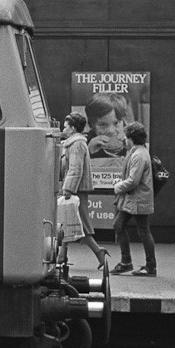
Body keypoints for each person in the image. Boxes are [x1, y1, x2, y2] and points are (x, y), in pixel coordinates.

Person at [60, 112, 109, 269]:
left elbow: (75, 169)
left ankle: (98, 251)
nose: (63, 128)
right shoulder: (75, 143)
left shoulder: (76, 144)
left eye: (65, 126)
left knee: (79, 224)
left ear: (72, 128)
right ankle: (62, 255)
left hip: (76, 190)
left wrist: (68, 189)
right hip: (76, 189)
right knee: (69, 221)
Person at [111, 122, 157, 277]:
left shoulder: (138, 155)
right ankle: (130, 262)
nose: (124, 140)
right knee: (122, 226)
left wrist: (118, 186)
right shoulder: (139, 152)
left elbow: (133, 181)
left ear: (131, 138)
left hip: (137, 199)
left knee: (141, 230)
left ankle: (145, 265)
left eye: (126, 137)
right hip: (135, 199)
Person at [85, 92, 131, 158]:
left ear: (124, 122)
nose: (111, 131)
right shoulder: (84, 143)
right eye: (103, 124)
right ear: (92, 125)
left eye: (116, 123)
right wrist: (88, 152)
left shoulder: (132, 140)